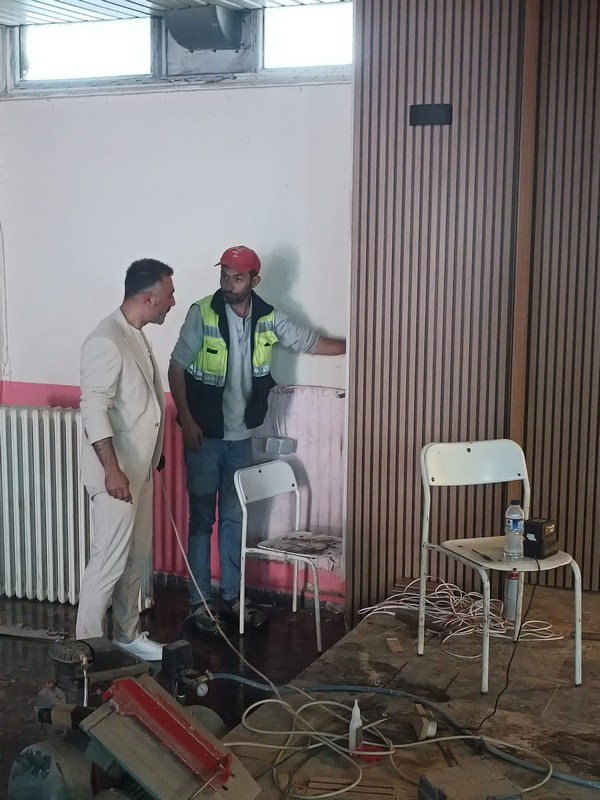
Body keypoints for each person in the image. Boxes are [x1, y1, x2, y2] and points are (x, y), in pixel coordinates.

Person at [168, 245, 345, 634]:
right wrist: (187, 421)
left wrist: (356, 345)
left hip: (240, 438)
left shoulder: (268, 316)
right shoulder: (202, 313)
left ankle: (232, 598)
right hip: (204, 435)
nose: (228, 284)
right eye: (224, 276)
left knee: (234, 518)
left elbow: (307, 341)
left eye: (237, 278)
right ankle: (200, 604)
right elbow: (176, 367)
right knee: (202, 520)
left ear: (254, 280)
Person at [75, 258, 175, 662]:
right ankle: (84, 649)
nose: (172, 302)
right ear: (149, 298)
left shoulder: (135, 334)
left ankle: (127, 634)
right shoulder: (105, 340)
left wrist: (155, 453)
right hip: (115, 476)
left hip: (140, 470)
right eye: (169, 295)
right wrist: (112, 470)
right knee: (108, 563)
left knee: (135, 558)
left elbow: (138, 405)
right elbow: (93, 410)